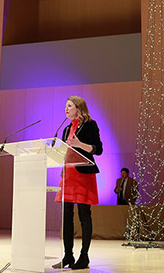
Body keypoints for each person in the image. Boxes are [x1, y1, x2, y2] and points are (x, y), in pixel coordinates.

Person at [55, 96, 102, 271]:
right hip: (68, 174)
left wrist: (80, 144)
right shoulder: (66, 129)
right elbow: (64, 152)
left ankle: (84, 257)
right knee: (66, 216)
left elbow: (99, 149)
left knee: (84, 214)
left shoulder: (90, 125)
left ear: (79, 108)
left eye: (69, 106)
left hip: (83, 174)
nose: (66, 109)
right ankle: (68, 255)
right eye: (65, 106)